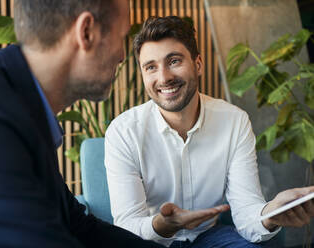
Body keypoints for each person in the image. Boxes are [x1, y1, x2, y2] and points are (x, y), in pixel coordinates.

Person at [0, 1, 167, 247]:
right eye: (120, 36)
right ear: (86, 33)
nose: (123, 56)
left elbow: (78, 227)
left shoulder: (20, 104)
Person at [104, 16, 314, 248]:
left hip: (210, 237)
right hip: (151, 241)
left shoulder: (234, 121)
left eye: (174, 61)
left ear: (198, 64)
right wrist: (165, 224)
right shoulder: (123, 131)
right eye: (151, 67)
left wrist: (271, 213)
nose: (163, 77)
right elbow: (127, 226)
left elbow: (246, 213)